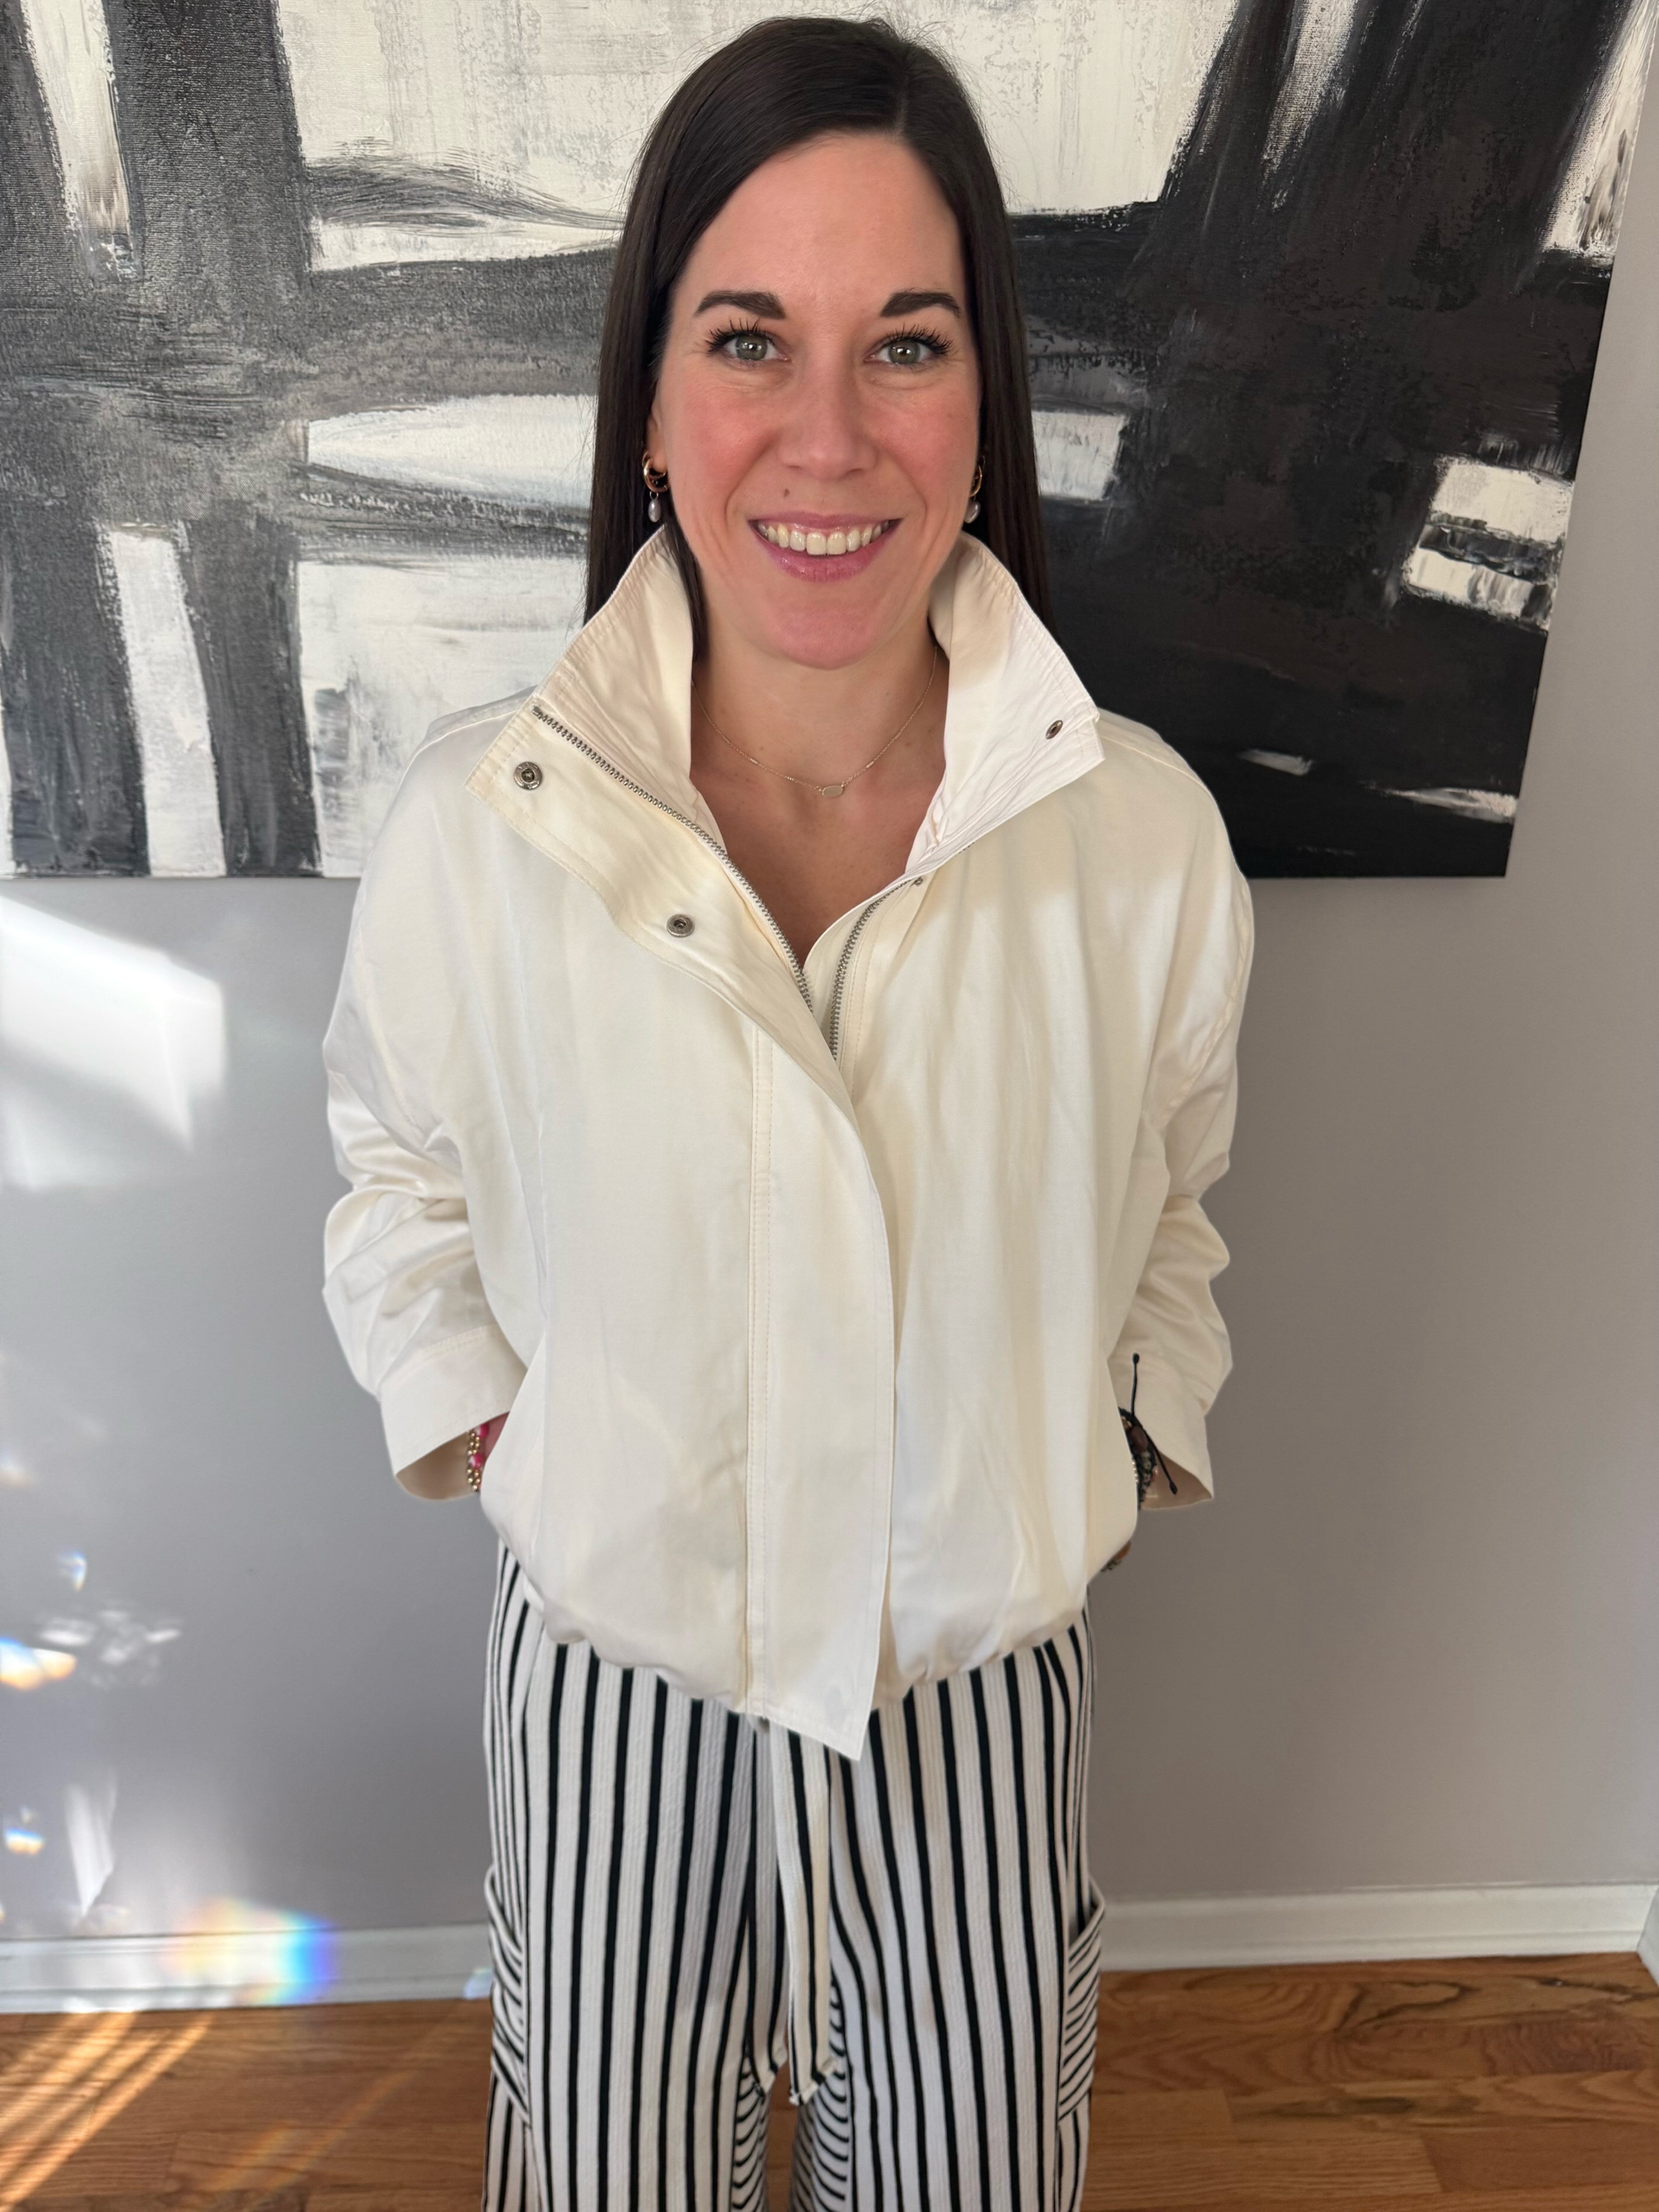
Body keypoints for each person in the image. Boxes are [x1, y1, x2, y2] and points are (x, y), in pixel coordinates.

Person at [321, 17, 1252, 2210]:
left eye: (905, 345)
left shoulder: (1139, 843)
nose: (828, 437)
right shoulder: (481, 828)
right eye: (750, 340)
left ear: (982, 399)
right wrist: (503, 1434)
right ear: (651, 398)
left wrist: (1123, 1440)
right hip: (619, 1685)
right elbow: (398, 1173)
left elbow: (1174, 1199)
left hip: (976, 1699)